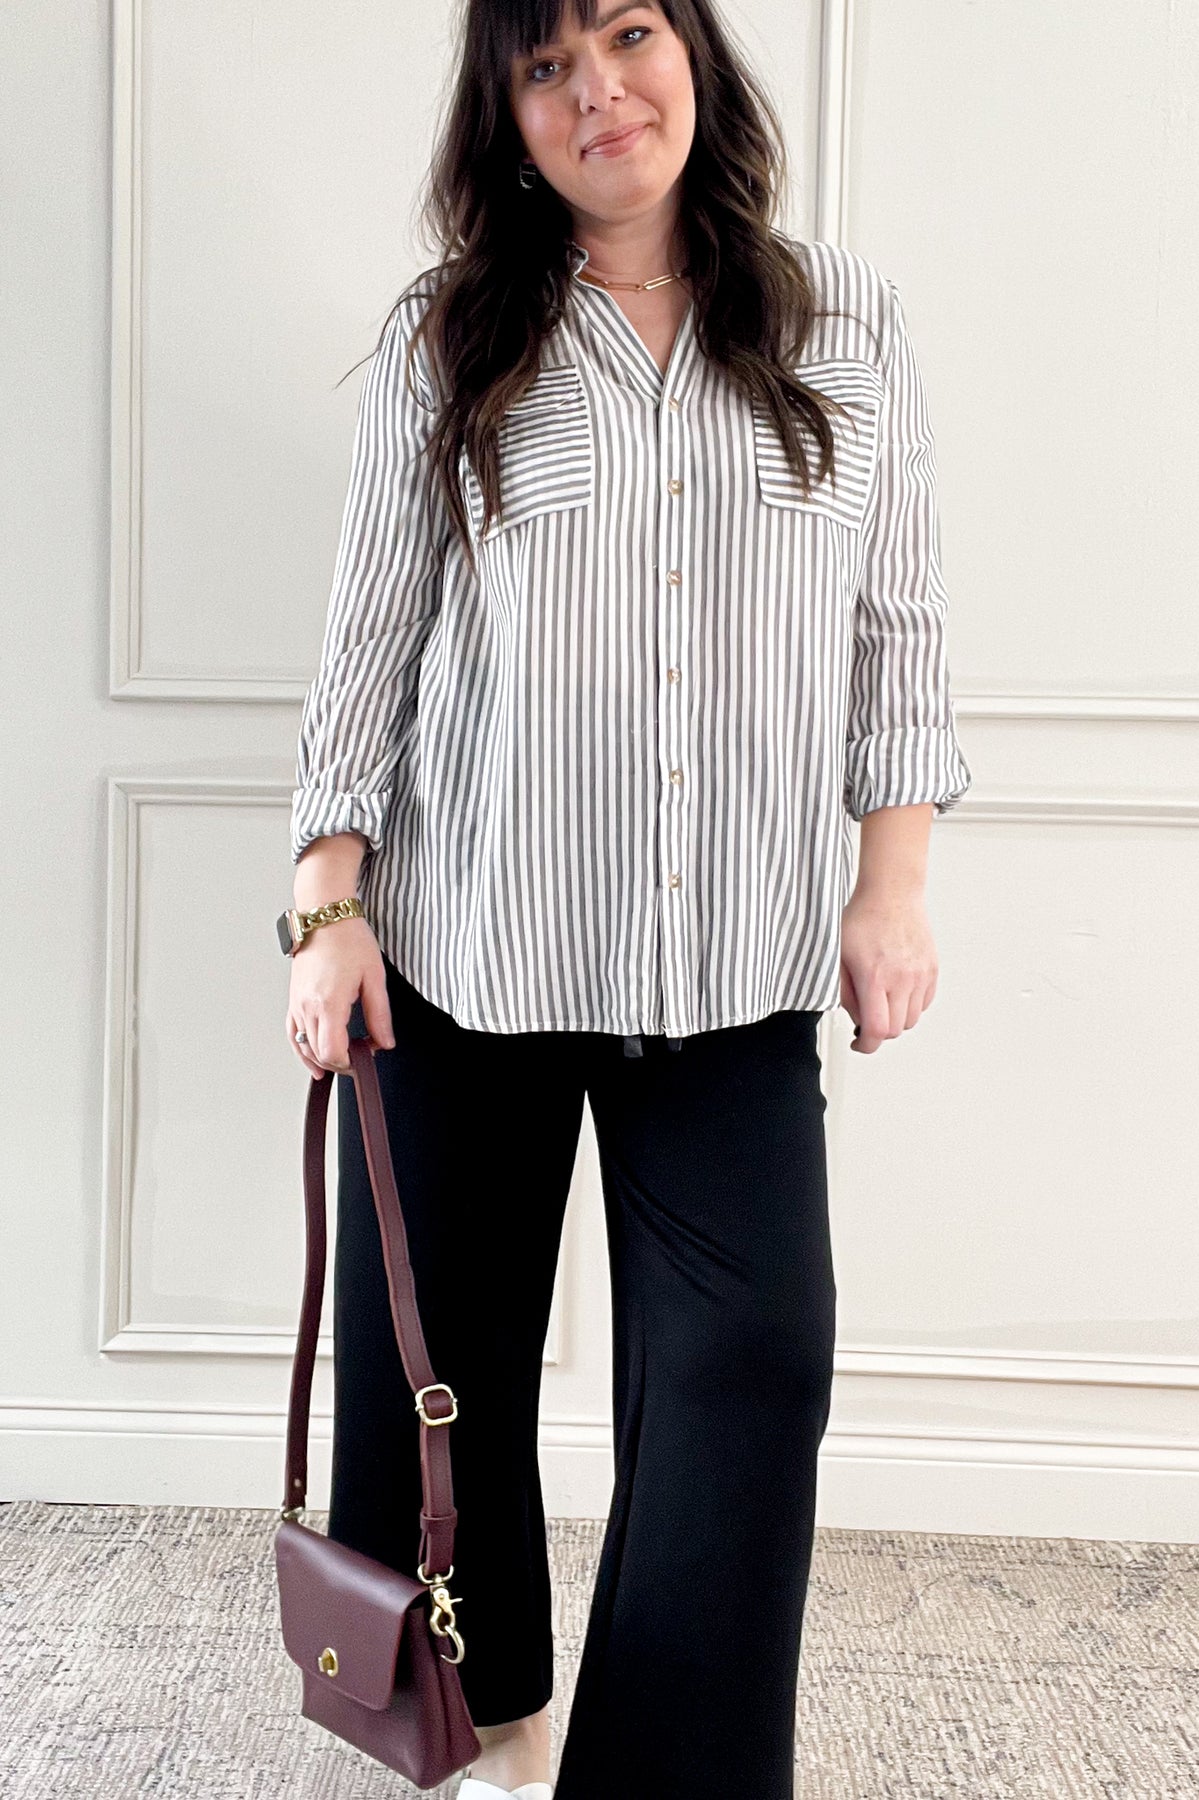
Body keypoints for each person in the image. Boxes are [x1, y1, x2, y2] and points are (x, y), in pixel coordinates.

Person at [283, 1, 972, 1795]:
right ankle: (482, 1718)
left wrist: (892, 887)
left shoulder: (846, 324)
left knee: (755, 1369)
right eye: (545, 66)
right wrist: (325, 906)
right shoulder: (450, 334)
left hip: (733, 965)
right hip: (471, 950)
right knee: (435, 1377)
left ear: (697, 57)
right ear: (506, 116)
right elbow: (369, 637)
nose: (598, 90)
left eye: (628, 33)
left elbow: (898, 635)